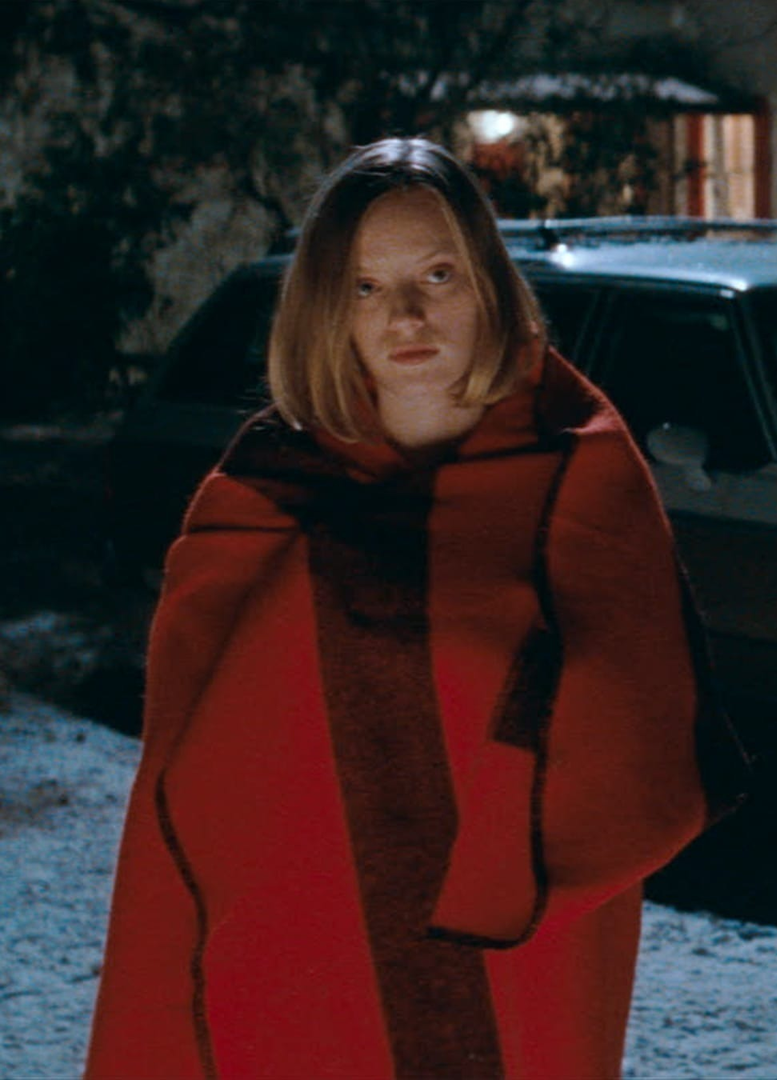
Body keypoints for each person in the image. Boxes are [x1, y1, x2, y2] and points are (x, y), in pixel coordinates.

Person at [86, 138, 730, 1078]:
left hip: (518, 970)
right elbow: (181, 799)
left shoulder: (576, 467)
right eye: (366, 288)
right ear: (326, 311)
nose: (409, 316)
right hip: (300, 968)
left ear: (486, 285)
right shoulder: (262, 495)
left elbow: (651, 744)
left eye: (437, 275)